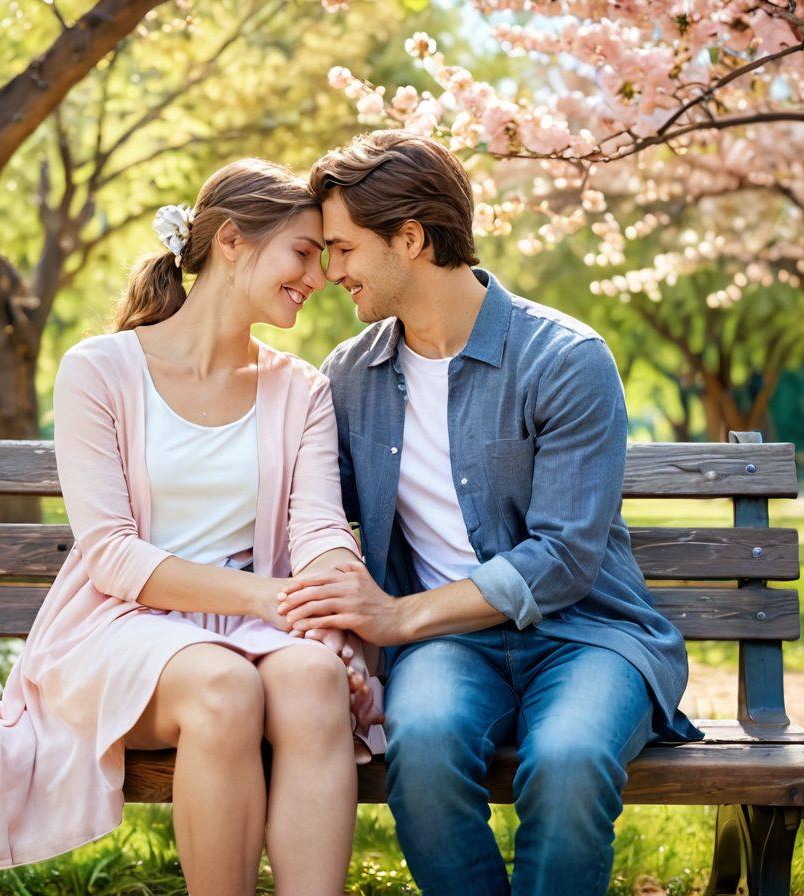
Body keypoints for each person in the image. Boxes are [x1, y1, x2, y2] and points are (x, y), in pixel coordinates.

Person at [277, 131, 705, 896]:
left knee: (570, 762)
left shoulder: (565, 358)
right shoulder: (350, 376)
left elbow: (564, 559)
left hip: (589, 634)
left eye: (342, 249)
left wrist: (398, 617)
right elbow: (310, 511)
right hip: (450, 648)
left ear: (410, 239)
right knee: (423, 749)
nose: (331, 271)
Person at [0, 158, 383, 894]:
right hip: (120, 623)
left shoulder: (300, 389)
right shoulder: (99, 370)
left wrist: (333, 610)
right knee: (222, 686)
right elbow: (112, 556)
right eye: (304, 253)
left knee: (313, 680)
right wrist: (276, 601)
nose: (319, 276)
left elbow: (319, 530)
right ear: (233, 241)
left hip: (255, 624)